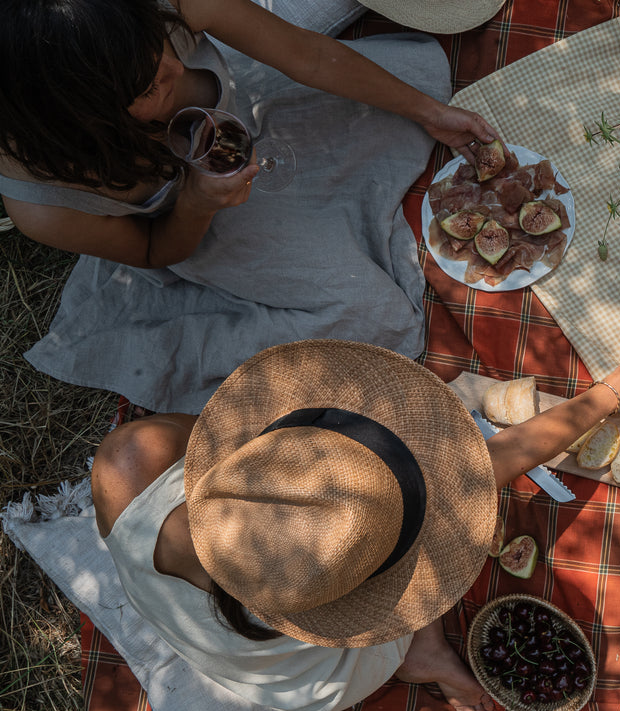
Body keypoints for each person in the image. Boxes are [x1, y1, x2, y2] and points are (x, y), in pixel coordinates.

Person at [89, 337, 620, 711]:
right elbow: (500, 460)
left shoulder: (127, 461)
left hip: (248, 636)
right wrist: (618, 389)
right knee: (436, 538)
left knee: (133, 452)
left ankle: (414, 641)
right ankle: (418, 650)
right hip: (324, 675)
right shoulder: (333, 567)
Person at [0, 0, 503, 414]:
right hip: (200, 225)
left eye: (163, 48)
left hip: (255, 110)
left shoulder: (162, 9)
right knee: (375, 317)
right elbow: (155, 250)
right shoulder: (43, 207)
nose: (176, 66)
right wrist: (197, 204)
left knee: (416, 82)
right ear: (88, 119)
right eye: (150, 86)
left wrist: (430, 113)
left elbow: (308, 57)